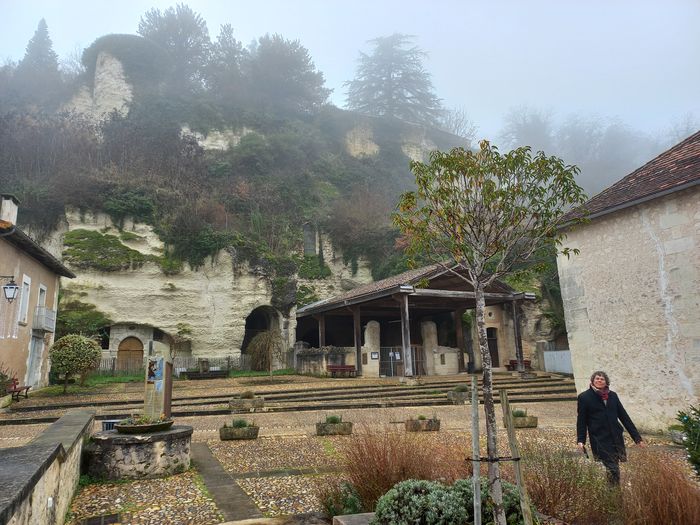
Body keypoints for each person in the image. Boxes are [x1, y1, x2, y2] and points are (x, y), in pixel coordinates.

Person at [576, 370, 644, 484]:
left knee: (613, 466)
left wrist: (637, 438)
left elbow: (624, 417)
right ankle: (615, 494)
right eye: (597, 378)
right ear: (592, 381)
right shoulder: (584, 397)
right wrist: (580, 440)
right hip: (600, 437)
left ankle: (612, 493)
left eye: (602, 379)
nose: (599, 380)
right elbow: (581, 421)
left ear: (606, 382)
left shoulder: (612, 396)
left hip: (616, 437)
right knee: (612, 467)